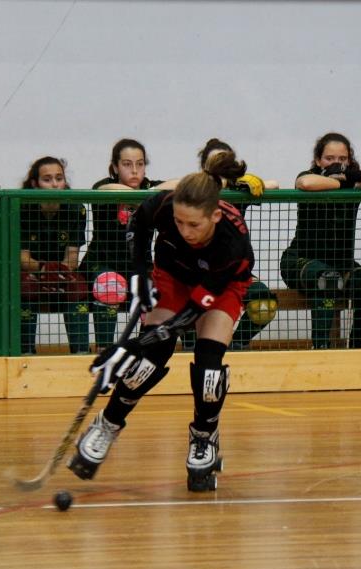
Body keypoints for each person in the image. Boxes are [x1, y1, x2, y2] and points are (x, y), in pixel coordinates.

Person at [68, 149, 255, 492]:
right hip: (171, 274)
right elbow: (139, 224)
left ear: (215, 216)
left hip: (219, 285)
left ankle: (204, 435)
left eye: (194, 224)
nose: (185, 230)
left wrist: (128, 343)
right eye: (179, 222)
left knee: (209, 366)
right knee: (148, 363)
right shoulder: (165, 204)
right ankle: (108, 424)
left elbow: (189, 316)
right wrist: (140, 274)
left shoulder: (233, 245)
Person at [282, 132, 361, 348]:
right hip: (301, 261)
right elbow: (306, 183)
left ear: (349, 160)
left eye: (342, 159)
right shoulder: (310, 175)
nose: (336, 164)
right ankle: (321, 350)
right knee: (328, 278)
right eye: (329, 159)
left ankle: (360, 350)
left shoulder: (353, 180)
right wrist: (339, 183)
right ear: (318, 160)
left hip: (342, 265)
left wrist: (353, 176)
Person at [184, 138, 279, 350]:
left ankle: (236, 345)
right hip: (197, 273)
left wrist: (245, 180)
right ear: (203, 167)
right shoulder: (192, 191)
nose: (220, 170)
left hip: (235, 273)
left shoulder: (238, 189)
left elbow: (273, 184)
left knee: (264, 304)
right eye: (215, 164)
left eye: (225, 164)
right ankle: (194, 349)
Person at [82, 139, 161, 350]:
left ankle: (147, 351)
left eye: (140, 164)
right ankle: (104, 350)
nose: (134, 170)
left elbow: (180, 186)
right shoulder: (102, 186)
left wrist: (154, 192)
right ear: (115, 167)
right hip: (102, 263)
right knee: (111, 284)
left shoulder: (151, 188)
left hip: (139, 266)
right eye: (127, 164)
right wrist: (149, 197)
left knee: (158, 291)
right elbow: (106, 189)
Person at [18, 156, 90, 354]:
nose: (55, 184)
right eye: (47, 179)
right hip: (32, 270)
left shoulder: (76, 208)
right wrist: (43, 269)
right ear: (35, 184)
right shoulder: (21, 207)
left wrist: (57, 271)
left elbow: (73, 258)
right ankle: (25, 352)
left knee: (78, 286)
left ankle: (81, 352)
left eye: (59, 178)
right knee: (25, 286)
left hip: (62, 271)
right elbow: (22, 258)